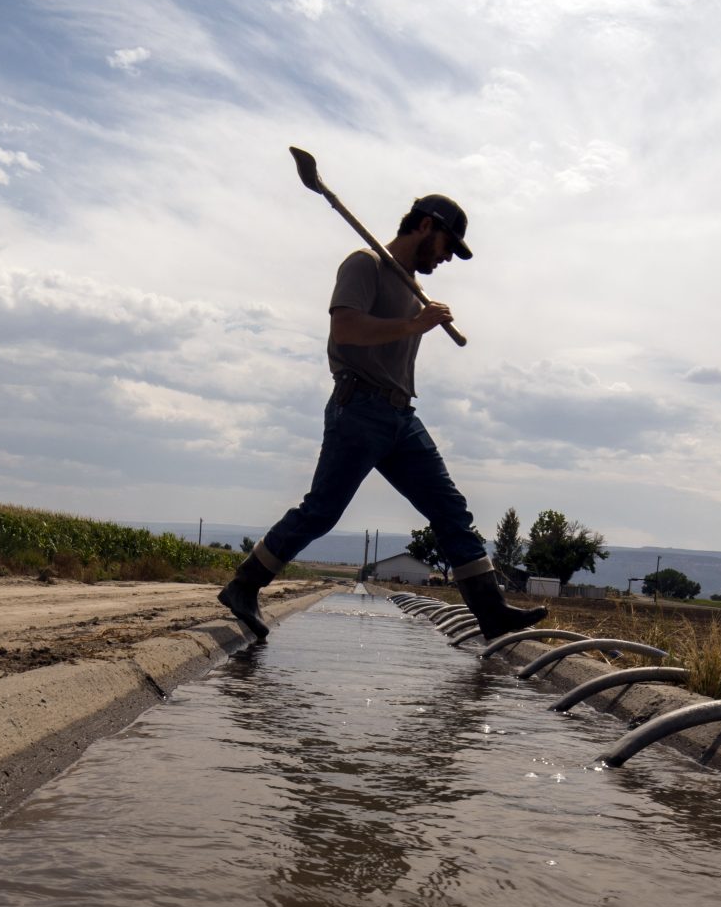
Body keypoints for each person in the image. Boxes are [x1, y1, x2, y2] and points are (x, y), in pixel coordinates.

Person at [217, 192, 546, 645]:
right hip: (359, 407)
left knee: (451, 509)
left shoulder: (414, 289)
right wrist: (414, 325)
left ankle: (491, 613)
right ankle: (243, 586)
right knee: (321, 512)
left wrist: (417, 317)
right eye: (448, 245)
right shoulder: (365, 264)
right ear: (427, 226)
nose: (448, 257)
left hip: (400, 416)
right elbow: (345, 329)